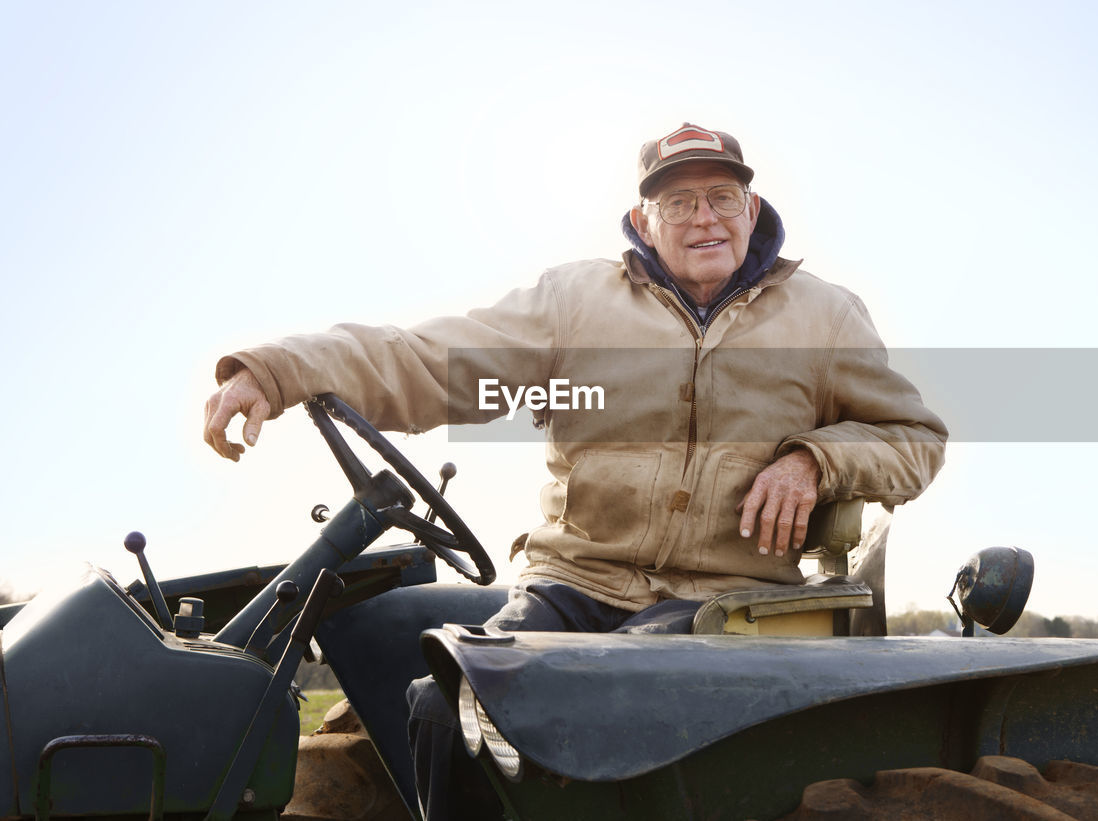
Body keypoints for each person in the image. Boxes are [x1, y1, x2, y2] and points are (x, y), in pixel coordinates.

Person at [203, 122, 947, 818]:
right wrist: (280, 370)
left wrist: (815, 461)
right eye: (680, 200)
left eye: (723, 197)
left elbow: (914, 436)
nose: (705, 218)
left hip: (727, 598)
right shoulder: (575, 305)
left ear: (751, 209)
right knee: (444, 701)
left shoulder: (823, 318)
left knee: (611, 695)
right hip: (573, 581)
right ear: (643, 217)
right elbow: (435, 362)